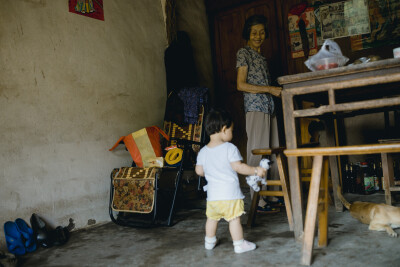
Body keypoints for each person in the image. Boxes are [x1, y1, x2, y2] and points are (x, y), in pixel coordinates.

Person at [195, 108, 266, 254]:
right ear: (223, 129)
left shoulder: (203, 151)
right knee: (234, 220)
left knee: (211, 219)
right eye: (231, 130)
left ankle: (209, 241)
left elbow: (199, 171)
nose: (232, 134)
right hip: (230, 195)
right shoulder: (230, 148)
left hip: (213, 197)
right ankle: (239, 244)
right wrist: (255, 170)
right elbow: (239, 167)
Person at [236, 14, 283, 212]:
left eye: (262, 32)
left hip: (269, 108)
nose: (258, 36)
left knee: (272, 151)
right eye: (254, 32)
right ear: (248, 33)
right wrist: (270, 89)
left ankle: (270, 195)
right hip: (255, 107)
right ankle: (258, 199)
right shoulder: (243, 53)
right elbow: (241, 85)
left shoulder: (262, 58)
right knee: (258, 151)